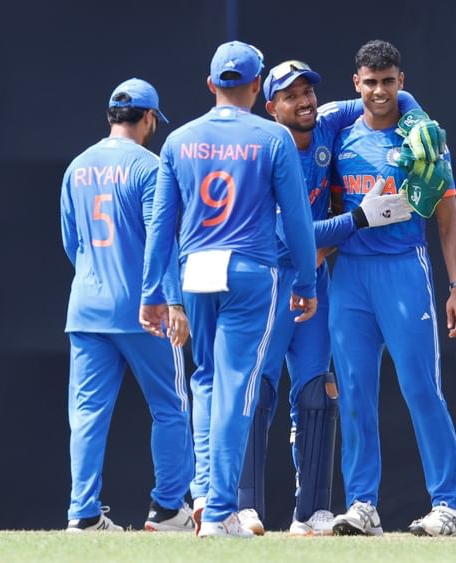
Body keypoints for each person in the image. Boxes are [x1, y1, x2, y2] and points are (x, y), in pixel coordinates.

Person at [141, 41, 318, 538]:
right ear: (258, 85)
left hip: (195, 269)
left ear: (211, 83)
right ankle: (218, 511)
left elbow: (162, 224)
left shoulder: (179, 140)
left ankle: (204, 497)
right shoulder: (273, 136)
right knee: (238, 386)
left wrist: (155, 291)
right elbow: (298, 221)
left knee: (206, 381)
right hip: (250, 271)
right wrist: (305, 281)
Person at [236, 61, 417, 536]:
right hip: (272, 281)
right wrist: (359, 219)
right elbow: (288, 233)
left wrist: (419, 122)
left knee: (318, 392)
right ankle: (246, 505)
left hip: (314, 281)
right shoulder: (264, 152)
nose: (304, 102)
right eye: (290, 96)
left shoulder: (328, 122)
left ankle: (311, 509)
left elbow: (390, 99)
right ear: (271, 106)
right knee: (260, 389)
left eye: (308, 92)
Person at [327, 40, 456, 537]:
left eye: (388, 81)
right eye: (370, 82)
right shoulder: (340, 136)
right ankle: (362, 504)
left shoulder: (422, 138)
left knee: (421, 389)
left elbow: (448, 220)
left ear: (401, 81)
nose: (379, 91)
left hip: (404, 271)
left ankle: (448, 504)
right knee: (355, 394)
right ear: (356, 84)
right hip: (350, 278)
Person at [62, 78, 193, 533]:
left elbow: (71, 243)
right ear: (149, 118)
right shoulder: (150, 166)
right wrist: (170, 300)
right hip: (145, 309)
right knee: (172, 406)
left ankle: (82, 514)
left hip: (86, 306)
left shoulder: (77, 167)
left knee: (87, 415)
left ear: (110, 116)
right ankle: (167, 508)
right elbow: (163, 242)